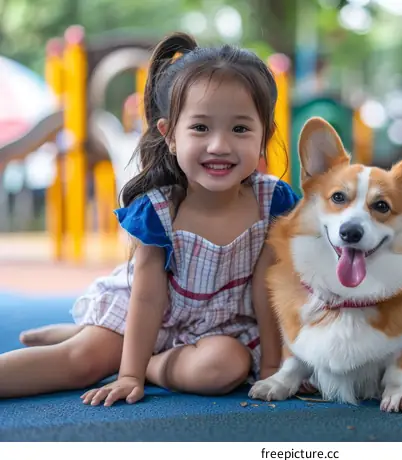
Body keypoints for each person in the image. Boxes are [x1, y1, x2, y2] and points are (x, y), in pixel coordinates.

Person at [0, 32, 299, 406]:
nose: (220, 145)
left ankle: (148, 361)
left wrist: (273, 367)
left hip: (225, 331)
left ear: (264, 135)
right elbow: (146, 298)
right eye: (200, 128)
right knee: (80, 363)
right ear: (170, 135)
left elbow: (267, 285)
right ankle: (101, 345)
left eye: (239, 129)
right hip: (145, 317)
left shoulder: (272, 202)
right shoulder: (159, 210)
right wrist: (129, 375)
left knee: (224, 369)